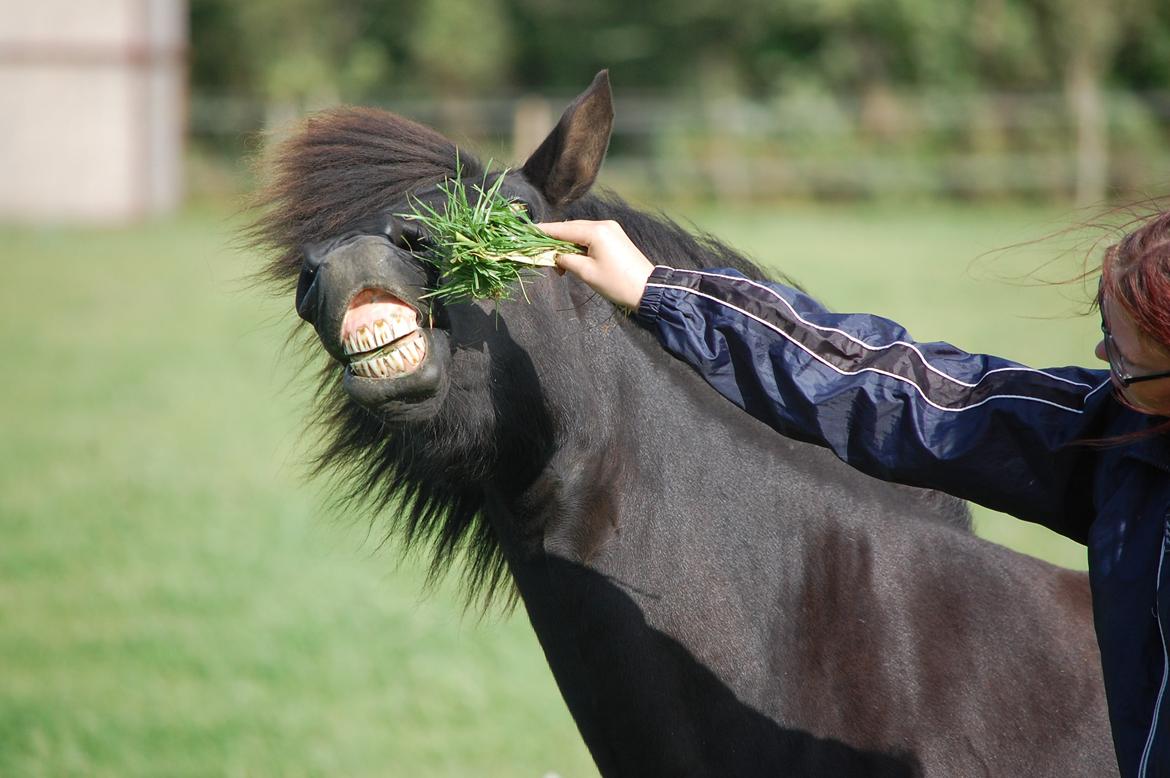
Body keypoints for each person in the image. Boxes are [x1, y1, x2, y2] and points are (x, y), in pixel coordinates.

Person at [539, 213, 1170, 778]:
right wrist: (661, 291)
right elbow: (903, 391)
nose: (1101, 354)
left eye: (1122, 356)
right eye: (1104, 325)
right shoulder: (1124, 431)